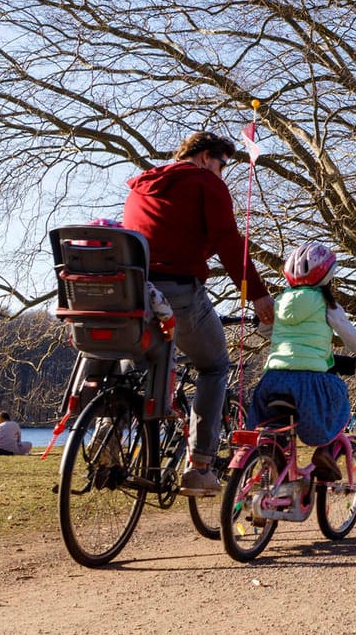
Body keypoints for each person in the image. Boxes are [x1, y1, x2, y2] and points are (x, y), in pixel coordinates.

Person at [123, 131, 277, 498]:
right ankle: (200, 467)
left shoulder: (142, 185)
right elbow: (228, 240)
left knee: (134, 365)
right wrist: (257, 295)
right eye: (223, 164)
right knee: (214, 366)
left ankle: (108, 440)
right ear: (207, 157)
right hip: (176, 292)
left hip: (132, 292)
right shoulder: (205, 181)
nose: (223, 173)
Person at [245, 243, 356, 481]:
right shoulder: (326, 304)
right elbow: (352, 337)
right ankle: (326, 451)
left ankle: (272, 471)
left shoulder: (279, 301)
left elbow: (265, 329)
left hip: (272, 379)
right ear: (328, 277)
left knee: (271, 429)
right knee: (339, 395)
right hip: (309, 380)